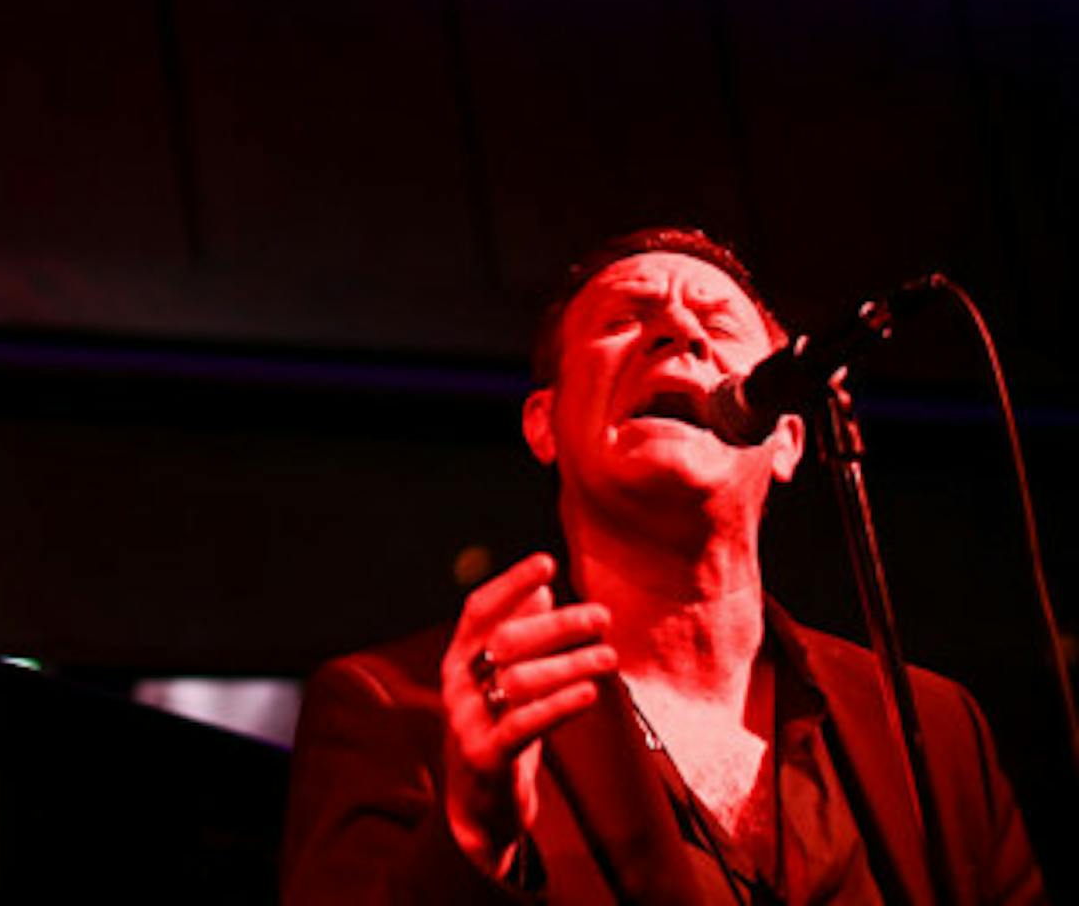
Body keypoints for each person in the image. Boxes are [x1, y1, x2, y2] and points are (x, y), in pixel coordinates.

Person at [282, 227, 1045, 904]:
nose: (678, 330)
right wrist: (474, 842)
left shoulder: (935, 727)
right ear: (543, 424)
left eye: (716, 323)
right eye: (623, 320)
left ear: (787, 440)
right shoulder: (395, 708)